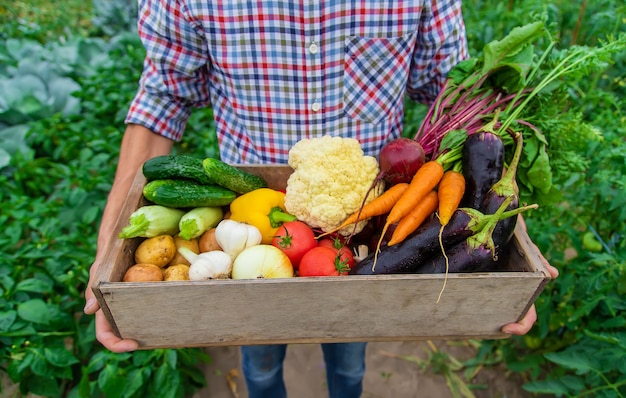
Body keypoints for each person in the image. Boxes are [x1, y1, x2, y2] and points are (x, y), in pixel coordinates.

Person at [83, 1, 559, 397]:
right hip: (251, 229)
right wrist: (108, 253)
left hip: (373, 234)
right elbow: (162, 99)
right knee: (260, 359)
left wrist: (507, 246)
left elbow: (458, 104)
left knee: (350, 356)